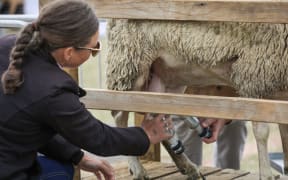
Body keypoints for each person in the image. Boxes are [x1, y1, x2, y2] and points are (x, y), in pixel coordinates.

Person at [0, 0, 174, 179]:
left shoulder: (7, 47)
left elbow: (26, 124)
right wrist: (146, 134)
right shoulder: (54, 90)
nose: (94, 53)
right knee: (60, 172)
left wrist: (77, 156)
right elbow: (99, 138)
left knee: (63, 167)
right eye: (94, 48)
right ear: (69, 52)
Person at [173, 86, 247, 170]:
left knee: (233, 134)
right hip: (186, 94)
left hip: (230, 92)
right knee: (187, 161)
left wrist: (229, 113)